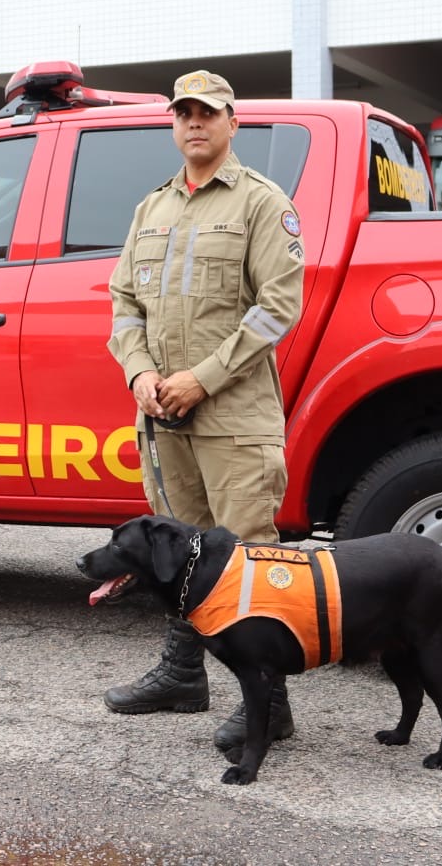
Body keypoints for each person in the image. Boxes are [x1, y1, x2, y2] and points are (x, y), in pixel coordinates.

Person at [104, 70, 306, 753]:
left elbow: (277, 307)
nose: (195, 122)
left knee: (247, 558)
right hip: (163, 415)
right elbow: (124, 303)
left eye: (208, 112)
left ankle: (270, 705)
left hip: (234, 418)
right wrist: (139, 372)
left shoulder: (261, 203)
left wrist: (203, 379)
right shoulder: (151, 208)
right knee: (178, 554)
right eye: (184, 112)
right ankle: (182, 674)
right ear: (173, 123)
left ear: (232, 123)